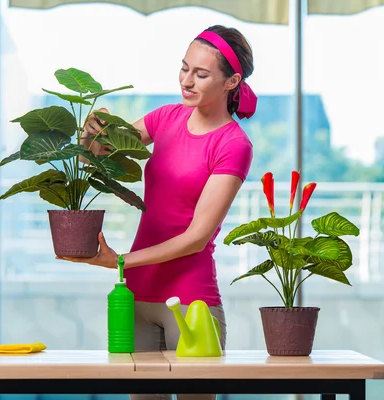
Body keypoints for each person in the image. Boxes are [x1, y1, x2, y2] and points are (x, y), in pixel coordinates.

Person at [58, 24, 256, 400]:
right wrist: (89, 134)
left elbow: (197, 237)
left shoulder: (232, 144)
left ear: (232, 82)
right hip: (137, 296)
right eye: (184, 68)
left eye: (201, 74)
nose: (187, 80)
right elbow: (99, 155)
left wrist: (120, 261)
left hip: (191, 303)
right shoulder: (165, 118)